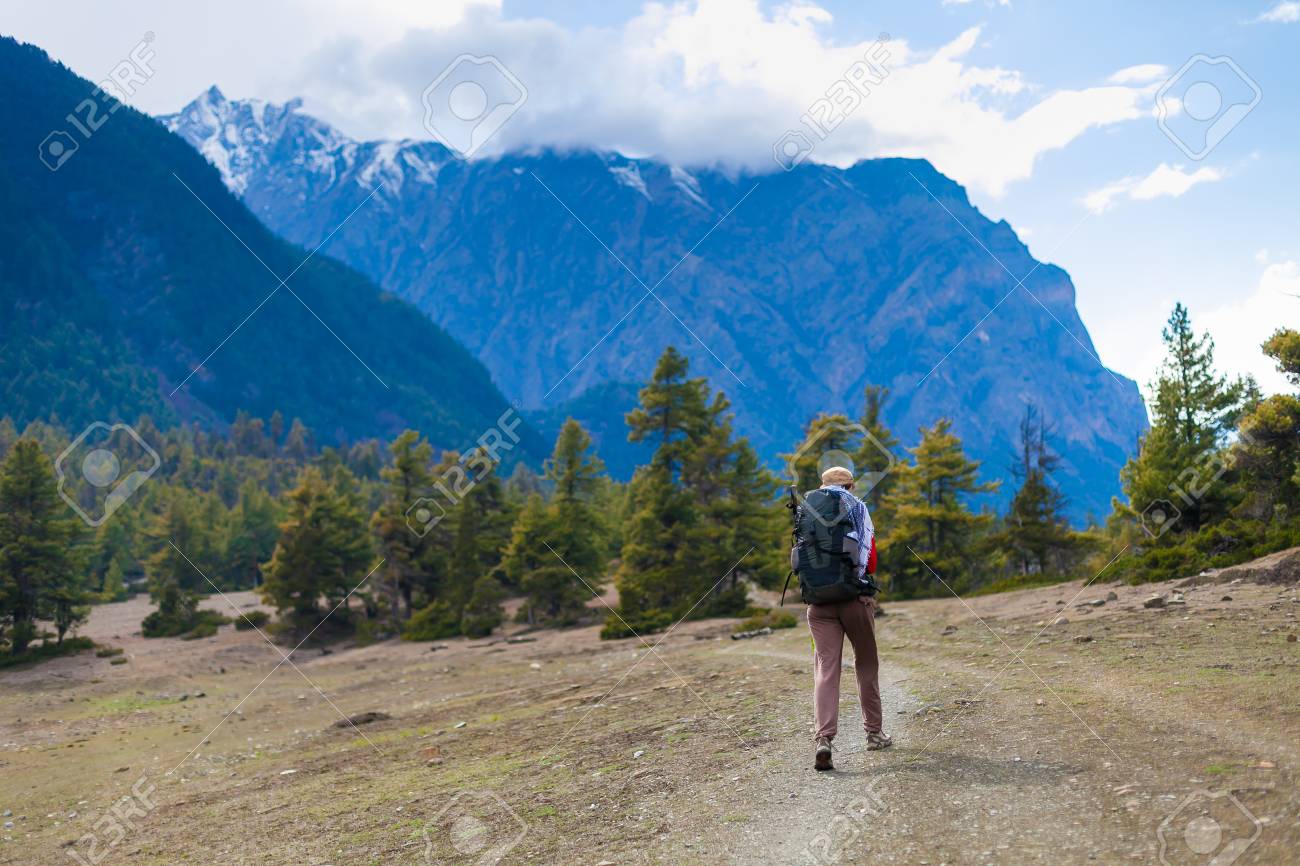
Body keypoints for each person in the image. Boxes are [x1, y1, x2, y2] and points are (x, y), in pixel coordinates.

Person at [807, 466, 892, 771]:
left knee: (826, 668)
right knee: (866, 662)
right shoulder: (858, 509)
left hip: (818, 605)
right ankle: (873, 734)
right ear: (852, 485)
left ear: (822, 487)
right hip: (854, 599)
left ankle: (824, 739)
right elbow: (869, 559)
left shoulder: (808, 511)